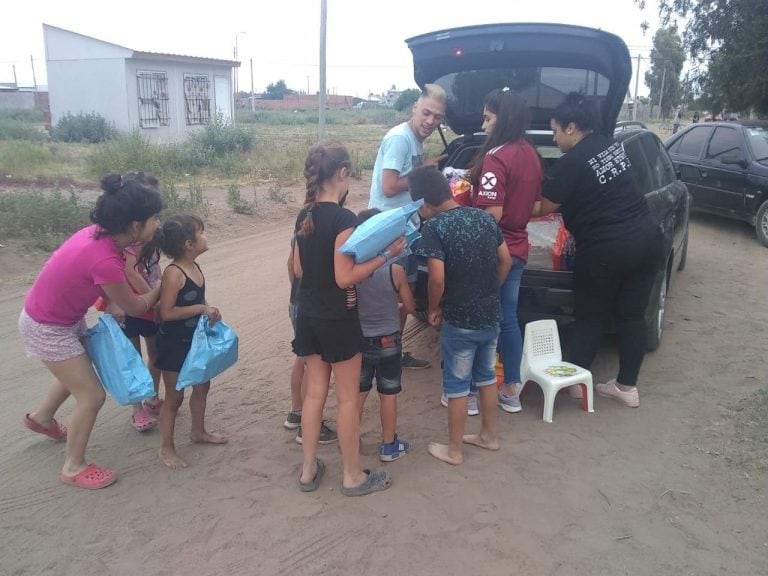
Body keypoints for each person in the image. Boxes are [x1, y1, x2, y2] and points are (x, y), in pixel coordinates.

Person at [19, 173, 163, 489]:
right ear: (135, 227)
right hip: (48, 327)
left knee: (75, 372)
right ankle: (73, 466)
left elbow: (108, 295)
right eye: (154, 218)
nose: (158, 224)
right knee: (91, 394)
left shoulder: (97, 235)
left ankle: (42, 418)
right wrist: (162, 289)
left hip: (55, 317)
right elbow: (136, 307)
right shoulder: (106, 259)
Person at [532, 92, 663, 408]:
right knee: (632, 316)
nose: (554, 137)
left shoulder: (571, 163)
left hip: (607, 249)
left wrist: (502, 203)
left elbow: (541, 208)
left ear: (572, 127)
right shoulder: (610, 146)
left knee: (590, 317)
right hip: (647, 240)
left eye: (555, 131)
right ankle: (627, 388)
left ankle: (577, 386)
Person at [292, 141, 405, 495]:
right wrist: (386, 254)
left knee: (313, 396)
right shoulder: (344, 220)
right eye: (350, 176)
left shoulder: (304, 215)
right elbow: (345, 277)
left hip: (308, 316)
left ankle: (308, 470)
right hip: (338, 319)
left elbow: (297, 268)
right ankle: (352, 475)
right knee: (346, 400)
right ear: (341, 173)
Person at [411, 166, 512, 466]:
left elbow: (437, 279)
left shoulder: (435, 228)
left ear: (425, 204)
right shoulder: (483, 217)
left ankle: (454, 450)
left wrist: (433, 308)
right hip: (490, 316)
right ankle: (489, 436)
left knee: (456, 386)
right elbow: (505, 260)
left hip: (459, 320)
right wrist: (490, 289)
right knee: (486, 378)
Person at [468, 87, 542, 414]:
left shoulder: (496, 157)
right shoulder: (530, 154)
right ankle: (511, 390)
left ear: (503, 118)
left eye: (487, 118)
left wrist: (465, 219)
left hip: (494, 251)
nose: (483, 126)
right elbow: (537, 205)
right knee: (508, 318)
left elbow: (491, 215)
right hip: (519, 247)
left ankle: (470, 393)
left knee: (480, 320)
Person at [369, 83, 448, 370]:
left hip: (405, 229)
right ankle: (381, 357)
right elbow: (389, 187)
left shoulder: (415, 141)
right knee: (392, 298)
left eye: (437, 117)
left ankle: (393, 353)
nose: (430, 121)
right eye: (426, 113)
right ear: (414, 107)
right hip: (390, 231)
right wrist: (423, 171)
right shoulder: (400, 139)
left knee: (403, 296)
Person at [141, 214, 228, 469]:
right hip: (174, 344)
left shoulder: (194, 267)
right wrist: (201, 308)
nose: (206, 236)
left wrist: (208, 311)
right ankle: (166, 448)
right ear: (189, 244)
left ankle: (198, 431)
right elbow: (167, 312)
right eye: (202, 233)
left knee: (202, 387)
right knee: (174, 397)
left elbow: (192, 302)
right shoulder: (174, 274)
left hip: (194, 342)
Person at [355, 208, 415, 462]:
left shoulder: (352, 269)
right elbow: (410, 307)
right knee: (388, 394)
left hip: (358, 340)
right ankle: (389, 446)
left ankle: (351, 441)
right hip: (389, 340)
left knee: (356, 394)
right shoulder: (396, 269)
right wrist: (395, 306)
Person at [285, 237, 338, 445]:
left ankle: (297, 413)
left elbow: (292, 264)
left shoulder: (304, 220)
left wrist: (298, 292)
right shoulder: (331, 220)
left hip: (299, 300)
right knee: (314, 365)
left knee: (304, 357)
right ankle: (309, 426)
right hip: (314, 304)